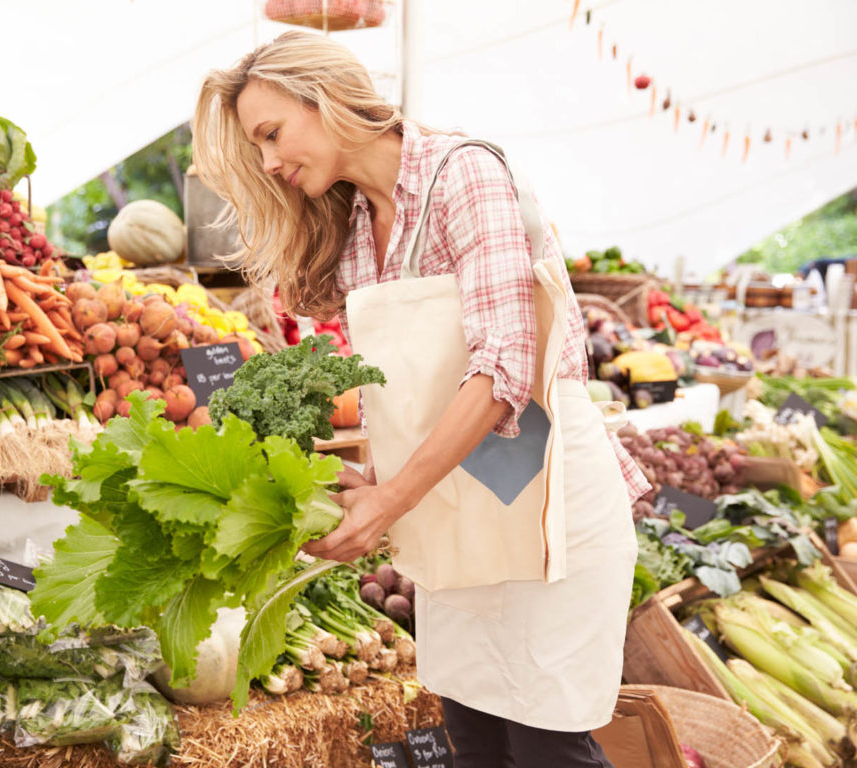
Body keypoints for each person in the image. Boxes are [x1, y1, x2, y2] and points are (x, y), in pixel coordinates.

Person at [193, 30, 649, 767]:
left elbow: (503, 370)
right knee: (475, 742)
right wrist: (375, 483)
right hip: (456, 511)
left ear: (328, 98)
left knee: (545, 745)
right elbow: (409, 387)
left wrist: (393, 497)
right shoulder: (356, 236)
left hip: (544, 503)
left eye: (272, 135)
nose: (271, 163)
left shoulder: (463, 173)